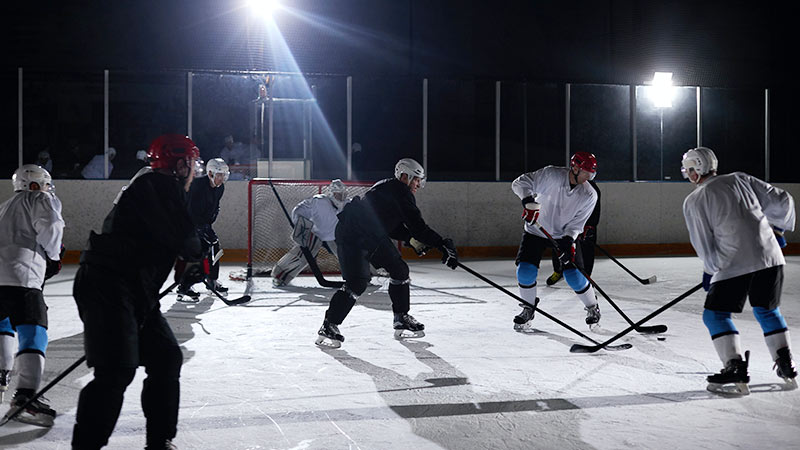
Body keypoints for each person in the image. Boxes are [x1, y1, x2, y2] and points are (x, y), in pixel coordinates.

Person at [71, 134, 204, 449]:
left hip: (130, 288)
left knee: (166, 357)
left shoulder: (152, 185)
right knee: (115, 371)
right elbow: (188, 243)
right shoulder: (158, 186)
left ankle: (159, 442)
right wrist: (198, 255)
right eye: (192, 163)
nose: (194, 170)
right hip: (109, 287)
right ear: (180, 163)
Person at [681, 146, 797, 394]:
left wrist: (711, 270)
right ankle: (786, 362)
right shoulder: (740, 179)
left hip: (735, 262)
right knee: (767, 310)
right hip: (771, 259)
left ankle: (734, 366)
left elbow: (703, 242)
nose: (688, 175)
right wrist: (778, 230)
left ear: (697, 170)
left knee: (715, 315)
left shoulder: (695, 199)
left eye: (689, 170)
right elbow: (782, 199)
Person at [315, 158, 458, 348]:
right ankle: (329, 325)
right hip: (353, 235)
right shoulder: (400, 192)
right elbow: (418, 226)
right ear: (405, 176)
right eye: (416, 180)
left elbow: (389, 225)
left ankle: (401, 317)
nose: (418, 185)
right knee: (357, 282)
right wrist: (442, 244)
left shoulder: (389, 189)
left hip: (370, 234)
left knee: (399, 270)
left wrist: (411, 239)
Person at [0, 164, 65, 426]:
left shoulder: (4, 206)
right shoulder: (40, 198)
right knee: (33, 329)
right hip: (22, 275)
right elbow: (49, 225)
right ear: (37, 184)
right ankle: (25, 398)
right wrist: (54, 255)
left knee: (3, 326)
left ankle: (1, 377)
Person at [511, 152, 601, 331]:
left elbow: (577, 223)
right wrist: (528, 201)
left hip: (562, 236)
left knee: (574, 276)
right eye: (585, 172)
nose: (588, 178)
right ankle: (528, 308)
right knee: (525, 271)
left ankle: (593, 307)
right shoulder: (551, 175)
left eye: (591, 174)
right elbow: (520, 182)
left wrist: (569, 240)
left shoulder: (590, 195)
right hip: (535, 230)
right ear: (574, 168)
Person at [272, 179, 348, 287]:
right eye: (338, 194)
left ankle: (359, 278)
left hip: (334, 236)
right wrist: (300, 224)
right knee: (300, 257)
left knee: (348, 255)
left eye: (343, 195)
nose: (341, 197)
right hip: (315, 234)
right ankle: (279, 275)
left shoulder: (347, 204)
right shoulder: (318, 201)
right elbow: (299, 209)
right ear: (331, 193)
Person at [176, 158, 230, 302]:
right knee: (194, 253)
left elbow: (214, 207)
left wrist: (207, 226)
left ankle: (212, 281)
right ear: (210, 173)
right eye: (219, 175)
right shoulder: (197, 186)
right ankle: (184, 287)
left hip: (204, 224)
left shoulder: (220, 188)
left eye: (224, 175)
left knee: (214, 248)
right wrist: (199, 229)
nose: (222, 178)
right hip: (187, 224)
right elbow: (190, 210)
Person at [546, 180, 601, 285]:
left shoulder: (592, 190)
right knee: (558, 246)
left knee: (587, 249)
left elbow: (595, 211)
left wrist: (589, 226)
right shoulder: (564, 185)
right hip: (565, 224)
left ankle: (586, 277)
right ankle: (558, 271)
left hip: (585, 224)